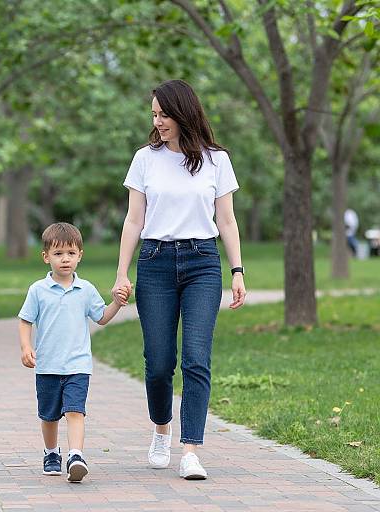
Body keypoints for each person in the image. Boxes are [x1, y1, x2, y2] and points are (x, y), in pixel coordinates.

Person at [112, 80, 246, 480]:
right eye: (153, 114)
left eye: (162, 114)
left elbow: (226, 220)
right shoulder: (145, 159)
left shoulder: (217, 160)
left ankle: (190, 450)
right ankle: (160, 429)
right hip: (154, 262)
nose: (157, 121)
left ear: (182, 112)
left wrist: (237, 270)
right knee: (158, 363)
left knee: (196, 359)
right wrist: (122, 272)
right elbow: (134, 219)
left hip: (203, 262)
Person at [18, 222, 129, 482]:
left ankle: (75, 455)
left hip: (78, 366)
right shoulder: (38, 290)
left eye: (70, 253)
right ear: (46, 257)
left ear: (80, 255)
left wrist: (117, 303)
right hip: (47, 366)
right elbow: (25, 320)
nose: (65, 259)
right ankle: (50, 452)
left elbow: (101, 317)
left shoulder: (86, 290)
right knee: (49, 415)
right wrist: (26, 346)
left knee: (75, 411)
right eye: (58, 254)